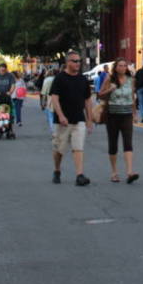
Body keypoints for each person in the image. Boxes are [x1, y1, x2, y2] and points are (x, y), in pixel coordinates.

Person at [49, 50, 94, 186]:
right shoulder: (60, 78)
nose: (77, 63)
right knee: (59, 150)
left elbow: (87, 100)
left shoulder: (82, 79)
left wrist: (89, 119)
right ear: (67, 62)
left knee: (78, 147)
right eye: (74, 61)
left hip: (78, 119)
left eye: (79, 61)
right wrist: (61, 115)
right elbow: (54, 99)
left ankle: (79, 175)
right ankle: (57, 170)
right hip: (62, 121)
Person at [96, 58, 139, 184]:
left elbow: (132, 97)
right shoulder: (110, 79)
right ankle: (114, 172)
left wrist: (135, 114)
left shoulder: (131, 80)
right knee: (113, 144)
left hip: (126, 115)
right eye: (120, 65)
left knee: (128, 143)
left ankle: (130, 172)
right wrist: (110, 89)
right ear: (115, 67)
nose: (123, 68)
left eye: (125, 66)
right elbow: (100, 94)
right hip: (112, 115)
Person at [40, 68, 57, 133]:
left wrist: (43, 102)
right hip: (57, 98)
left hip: (49, 98)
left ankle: (53, 130)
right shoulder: (56, 79)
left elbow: (44, 92)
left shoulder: (46, 80)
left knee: (50, 115)